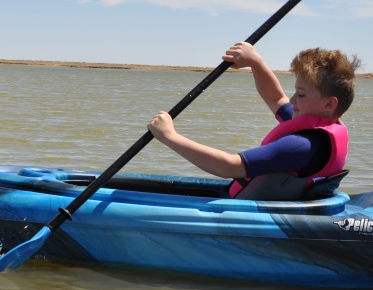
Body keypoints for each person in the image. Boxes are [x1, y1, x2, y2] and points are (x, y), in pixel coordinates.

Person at [147, 42, 361, 200]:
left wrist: (169, 136)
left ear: (330, 104)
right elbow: (276, 98)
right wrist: (255, 63)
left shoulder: (301, 146)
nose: (293, 100)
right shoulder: (316, 122)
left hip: (240, 213)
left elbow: (228, 167)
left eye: (301, 95)